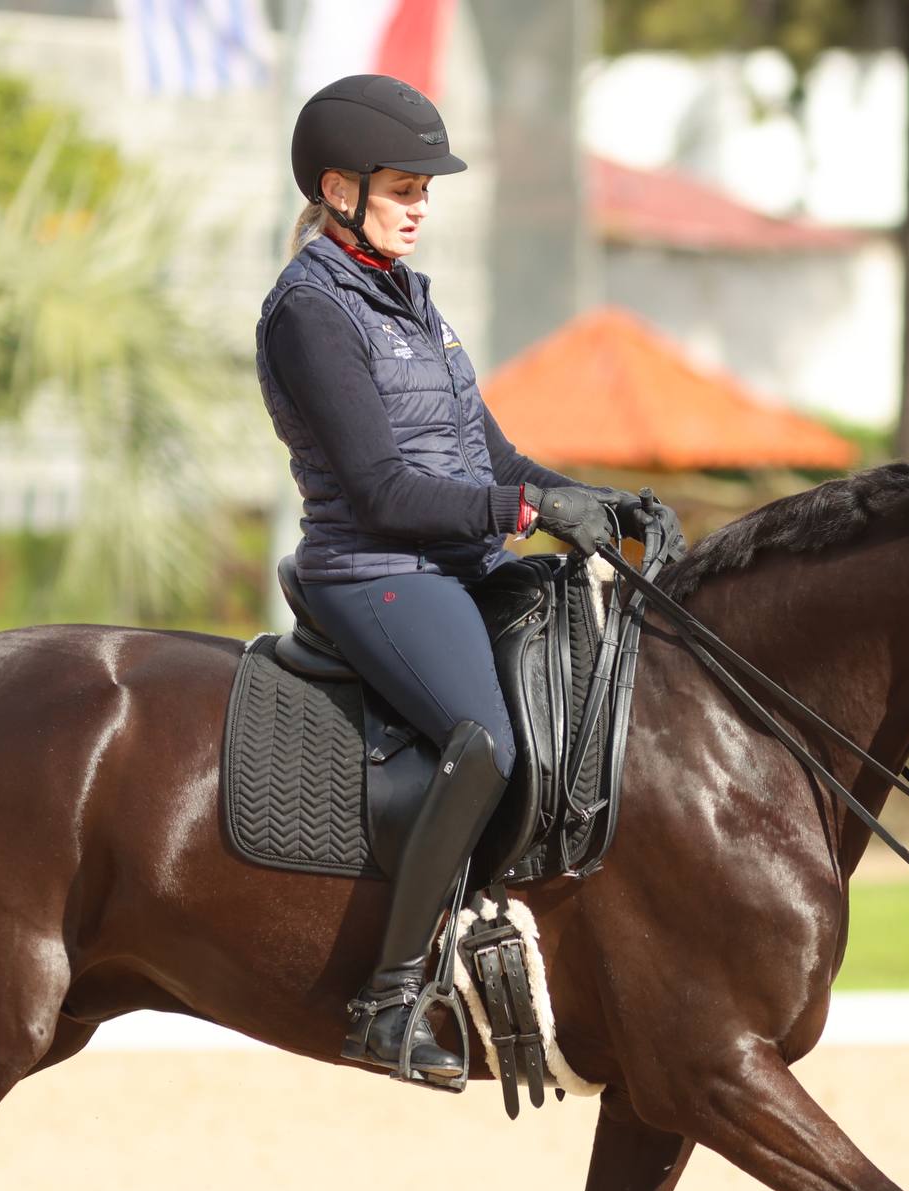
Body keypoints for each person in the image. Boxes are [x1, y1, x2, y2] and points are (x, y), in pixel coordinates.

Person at [256, 74, 642, 1088]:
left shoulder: (412, 300)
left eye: (426, 188)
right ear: (338, 188)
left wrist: (597, 501)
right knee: (484, 740)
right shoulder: (311, 309)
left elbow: (495, 461)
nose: (421, 204)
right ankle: (387, 1001)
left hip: (456, 559)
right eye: (402, 188)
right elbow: (383, 489)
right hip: (373, 567)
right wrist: (523, 516)